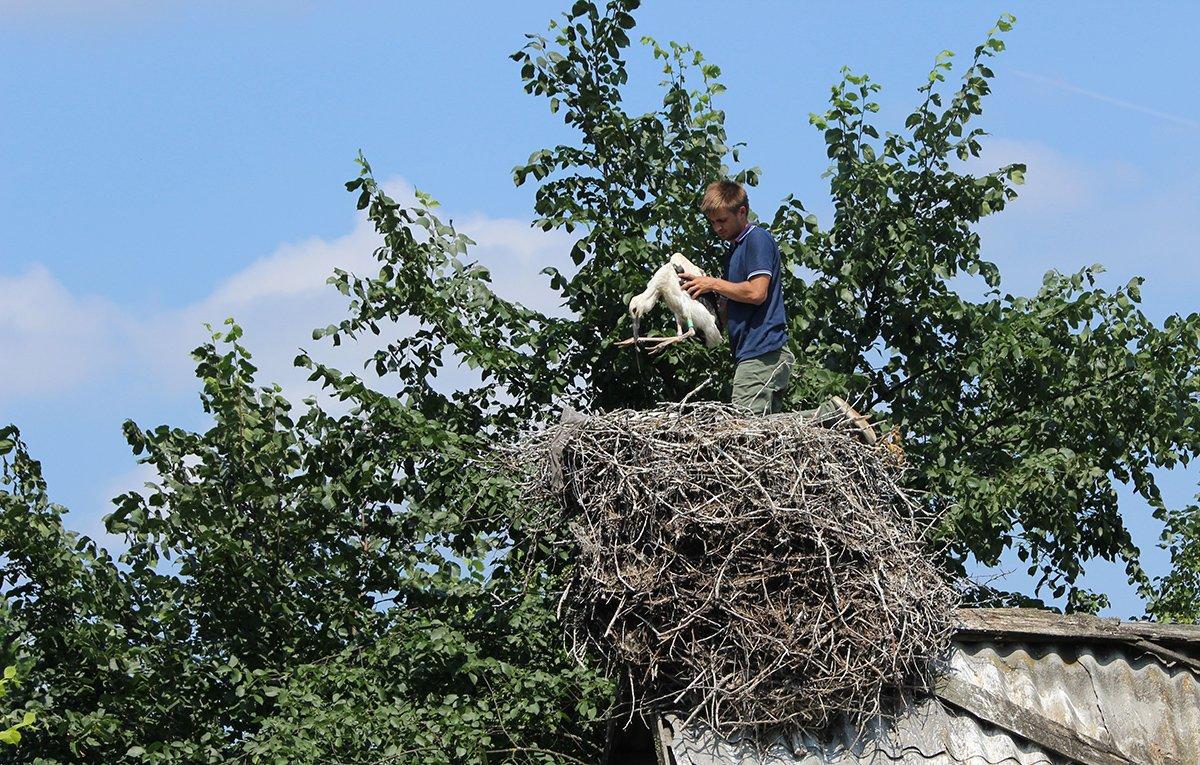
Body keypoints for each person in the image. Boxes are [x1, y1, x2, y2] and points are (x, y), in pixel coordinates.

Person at [679, 180, 879, 442]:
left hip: (761, 353)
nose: (717, 228)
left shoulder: (756, 239)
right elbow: (728, 312)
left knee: (741, 431)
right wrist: (704, 300)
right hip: (756, 353)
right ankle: (834, 417)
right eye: (713, 222)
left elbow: (756, 292)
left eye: (722, 220)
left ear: (742, 212)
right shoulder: (735, 252)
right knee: (767, 437)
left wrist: (713, 283)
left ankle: (831, 414)